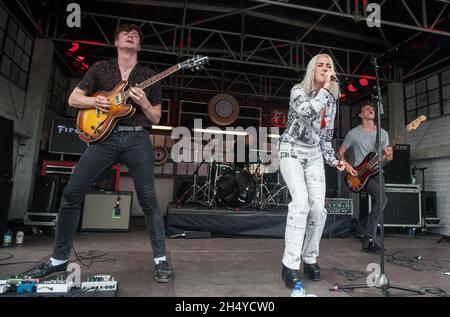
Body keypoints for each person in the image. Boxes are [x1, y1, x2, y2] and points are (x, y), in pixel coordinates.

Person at [19, 24, 173, 283]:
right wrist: (95, 101)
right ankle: (58, 260)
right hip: (103, 138)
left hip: (137, 138)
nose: (131, 36)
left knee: (149, 200)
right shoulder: (100, 69)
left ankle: (160, 261)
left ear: (139, 46)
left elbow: (156, 116)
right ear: (116, 42)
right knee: (71, 194)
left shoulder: (149, 75)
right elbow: (73, 99)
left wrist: (144, 101)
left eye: (136, 35)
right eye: (126, 34)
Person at [278, 54, 352, 288]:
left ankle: (309, 258)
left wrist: (334, 161)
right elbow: (309, 112)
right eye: (320, 65)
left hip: (314, 155)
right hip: (291, 150)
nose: (325, 68)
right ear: (312, 70)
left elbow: (325, 138)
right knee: (301, 204)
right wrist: (326, 90)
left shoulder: (331, 101)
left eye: (329, 65)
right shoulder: (297, 91)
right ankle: (290, 264)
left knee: (318, 210)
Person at [338, 102, 393, 253]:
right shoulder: (353, 133)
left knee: (382, 200)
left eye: (372, 109)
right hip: (360, 174)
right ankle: (368, 240)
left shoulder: (383, 133)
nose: (371, 110)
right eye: (367, 109)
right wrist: (347, 166)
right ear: (361, 115)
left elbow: (388, 158)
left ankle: (361, 228)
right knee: (382, 200)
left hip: (377, 172)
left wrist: (388, 156)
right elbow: (340, 152)